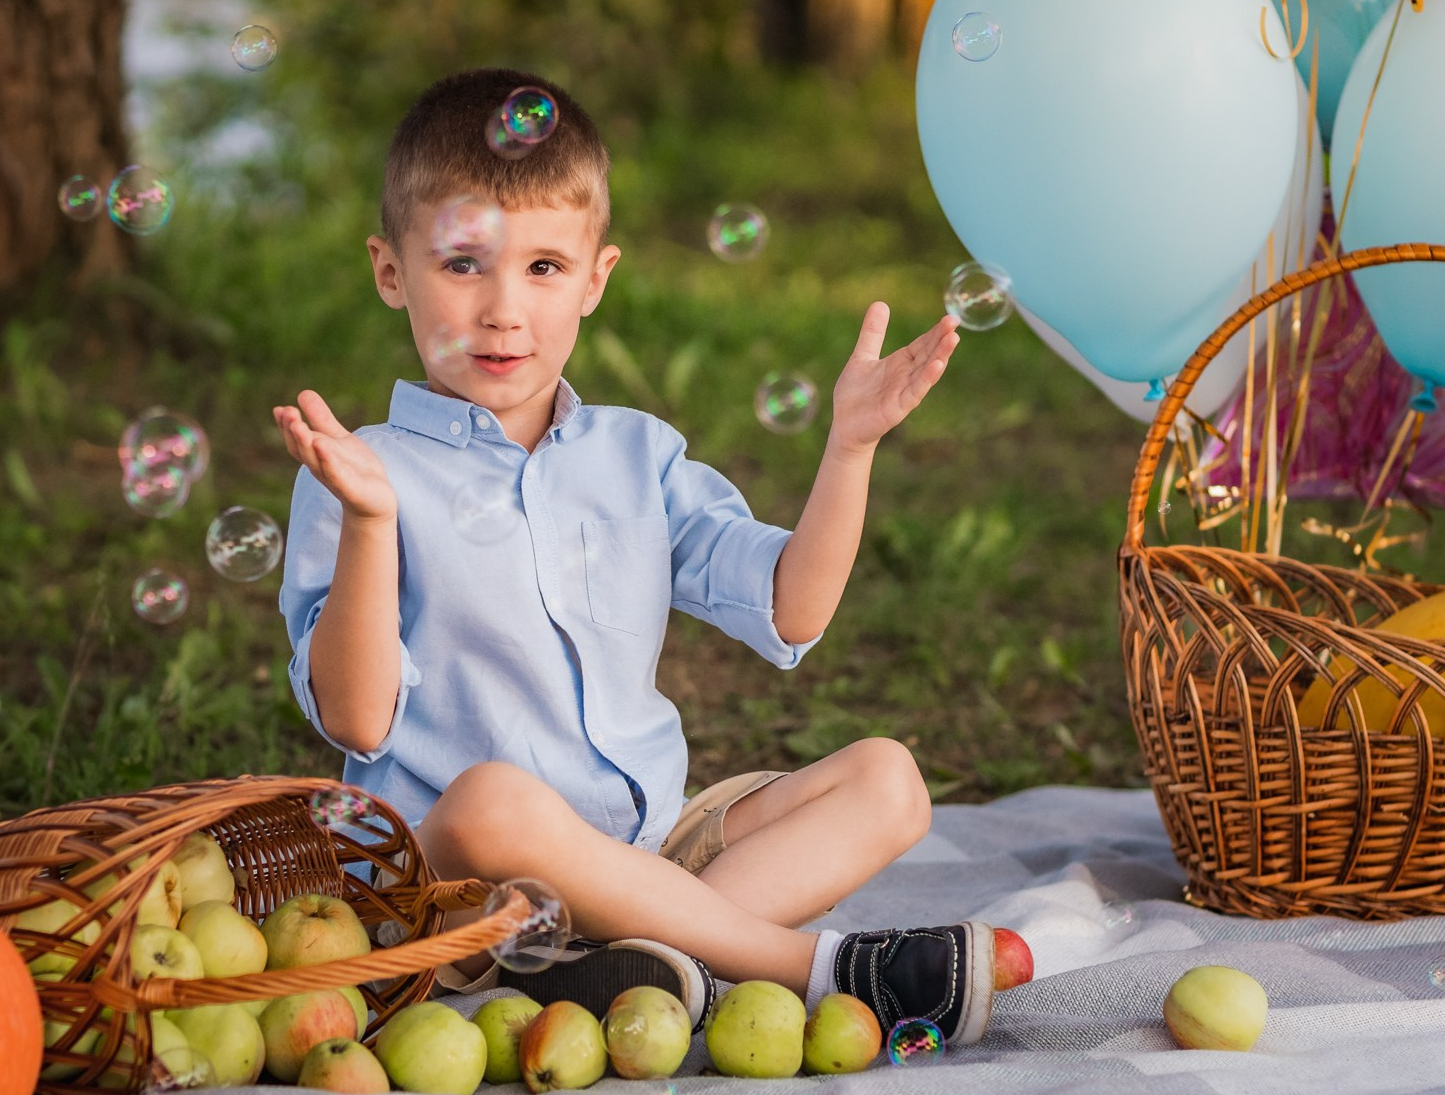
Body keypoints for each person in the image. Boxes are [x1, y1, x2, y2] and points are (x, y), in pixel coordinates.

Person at [275, 67, 1003, 1045]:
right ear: (389, 270)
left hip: (645, 847)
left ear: (594, 280)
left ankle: (645, 961)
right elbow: (355, 717)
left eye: (541, 268)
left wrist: (850, 449)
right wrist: (369, 525)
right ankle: (812, 965)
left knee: (887, 780)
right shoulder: (361, 473)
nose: (502, 309)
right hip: (455, 881)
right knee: (494, 799)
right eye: (461, 265)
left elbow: (791, 609)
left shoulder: (637, 456)